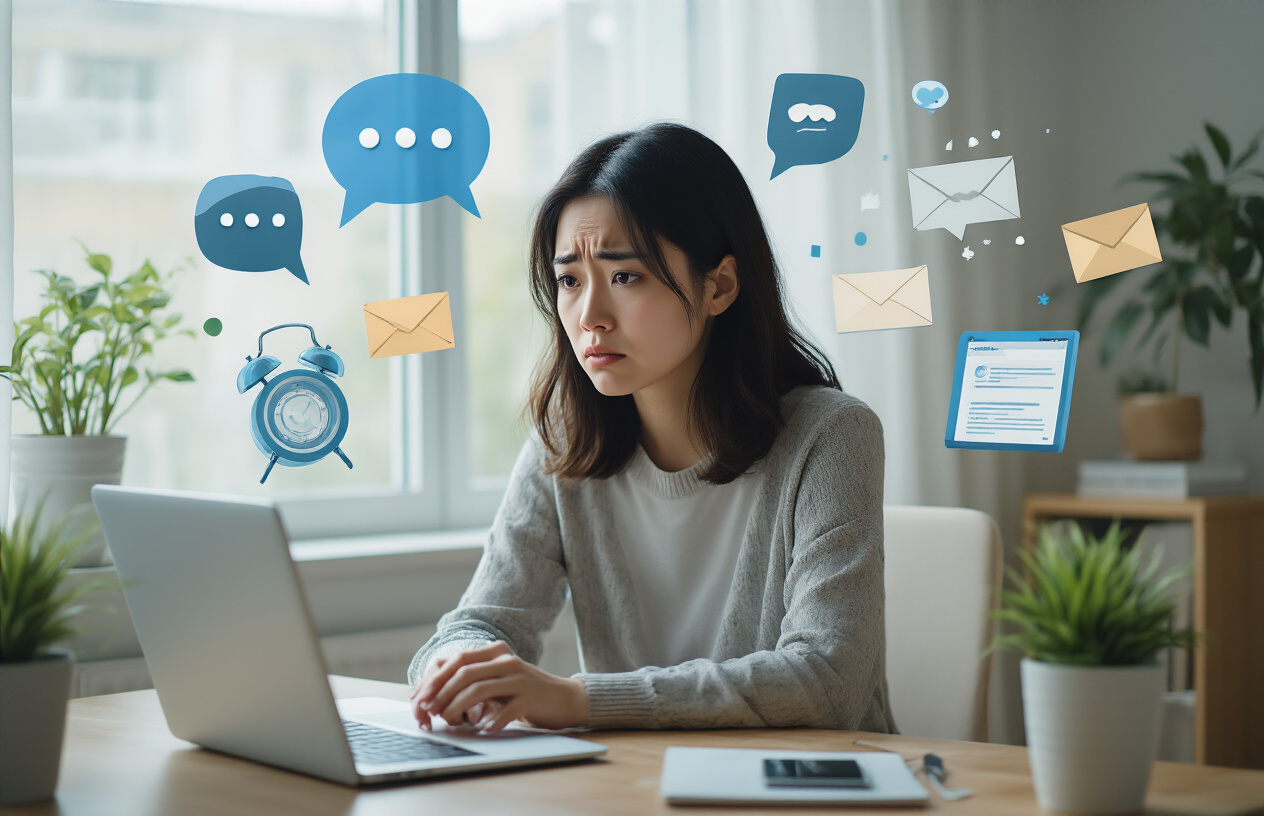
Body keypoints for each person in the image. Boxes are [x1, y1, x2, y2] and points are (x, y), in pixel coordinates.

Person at [408, 122, 895, 735]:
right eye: (569, 280)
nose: (589, 318)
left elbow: (827, 683)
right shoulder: (565, 443)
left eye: (625, 276)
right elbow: (482, 622)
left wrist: (579, 700)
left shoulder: (831, 437)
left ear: (718, 285)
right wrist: (456, 667)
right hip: (632, 787)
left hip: (810, 792)